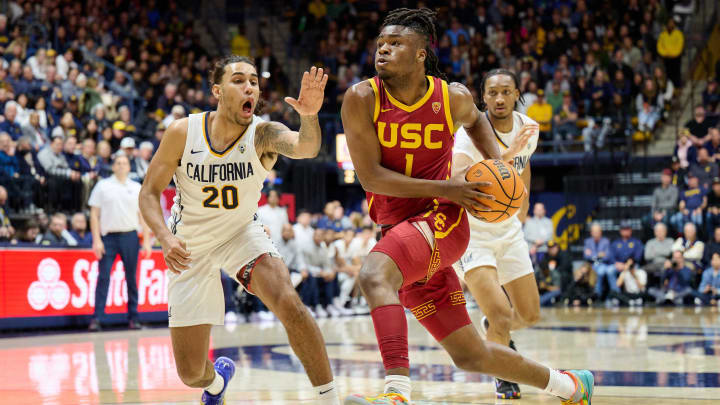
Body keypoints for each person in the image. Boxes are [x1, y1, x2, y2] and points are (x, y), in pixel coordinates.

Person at [340, 8, 592, 405]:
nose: (383, 49)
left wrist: (496, 163)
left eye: (396, 43)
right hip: (402, 230)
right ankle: (570, 385)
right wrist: (451, 186)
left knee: (374, 275)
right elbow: (371, 178)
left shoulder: (451, 96)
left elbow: (476, 121)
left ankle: (396, 395)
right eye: (380, 44)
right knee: (470, 354)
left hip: (443, 220)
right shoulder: (361, 98)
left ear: (421, 54)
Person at [138, 56, 341, 405]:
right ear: (217, 90)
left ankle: (328, 399)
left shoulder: (262, 133)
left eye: (254, 81)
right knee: (190, 373)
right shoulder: (182, 132)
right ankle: (216, 383)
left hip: (240, 234)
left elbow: (306, 147)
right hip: (190, 245)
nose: (250, 86)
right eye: (238, 80)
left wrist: (308, 116)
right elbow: (148, 194)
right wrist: (166, 238)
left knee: (289, 303)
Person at [452, 68, 540, 399]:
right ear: (483, 97)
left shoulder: (528, 128)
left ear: (517, 93)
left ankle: (496, 335)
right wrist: (504, 156)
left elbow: (524, 163)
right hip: (473, 235)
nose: (500, 98)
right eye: (493, 93)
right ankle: (501, 374)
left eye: (506, 91)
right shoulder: (468, 134)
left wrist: (524, 201)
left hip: (509, 231)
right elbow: (459, 177)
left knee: (528, 315)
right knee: (501, 313)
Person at [88, 154, 153, 331]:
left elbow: (143, 216)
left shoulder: (136, 187)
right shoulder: (103, 185)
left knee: (131, 279)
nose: (122, 165)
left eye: (125, 163)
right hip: (108, 238)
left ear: (129, 167)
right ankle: (97, 319)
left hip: (130, 236)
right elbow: (94, 214)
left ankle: (134, 318)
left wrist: (146, 241)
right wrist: (96, 240)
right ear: (113, 166)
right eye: (118, 163)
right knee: (103, 278)